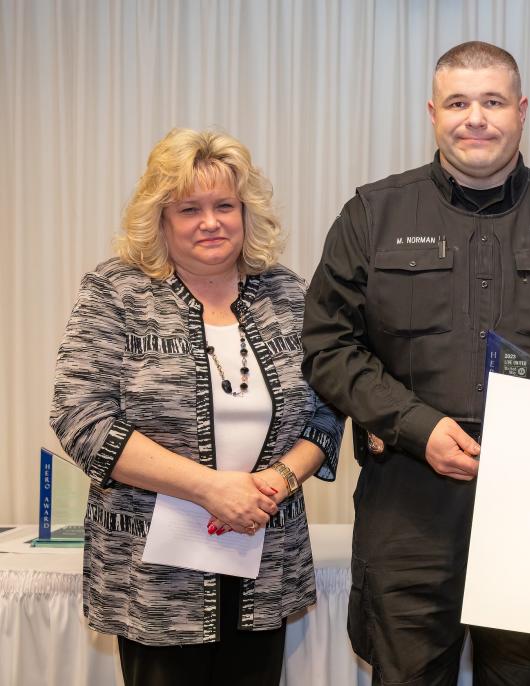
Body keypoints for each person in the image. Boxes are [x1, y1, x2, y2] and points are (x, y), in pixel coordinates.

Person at [301, 41, 530, 685]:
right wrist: (412, 423)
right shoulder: (372, 215)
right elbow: (327, 344)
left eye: (493, 101)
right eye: (458, 102)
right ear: (433, 113)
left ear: (522, 110)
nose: (475, 118)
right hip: (410, 503)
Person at [50, 128, 344, 686]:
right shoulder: (116, 292)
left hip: (265, 555)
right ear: (161, 219)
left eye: (224, 205)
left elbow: (327, 411)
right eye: (190, 208)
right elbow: (80, 418)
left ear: (245, 212)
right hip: (154, 573)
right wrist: (212, 489)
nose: (210, 221)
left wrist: (275, 482)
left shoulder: (288, 294)